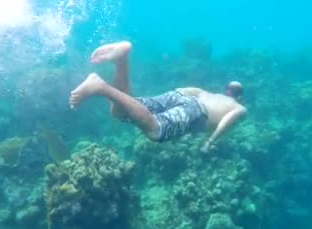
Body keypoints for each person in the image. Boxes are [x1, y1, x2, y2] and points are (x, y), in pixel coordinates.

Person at [69, 41, 247, 153]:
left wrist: (179, 117)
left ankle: (121, 59)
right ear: (239, 97)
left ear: (227, 91)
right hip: (196, 109)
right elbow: (226, 122)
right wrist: (210, 142)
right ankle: (100, 87)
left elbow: (189, 90)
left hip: (181, 96)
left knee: (121, 112)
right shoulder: (239, 108)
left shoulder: (211, 94)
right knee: (156, 131)